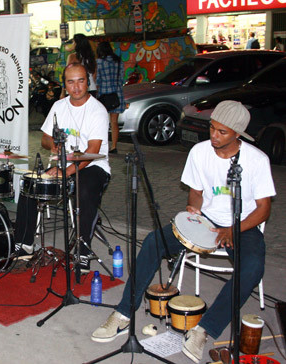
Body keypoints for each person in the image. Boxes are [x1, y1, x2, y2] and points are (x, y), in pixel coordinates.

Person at [91, 100, 275, 363]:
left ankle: (204, 329)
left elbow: (263, 209)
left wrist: (233, 229)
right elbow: (196, 191)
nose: (213, 135)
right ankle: (123, 313)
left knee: (253, 267)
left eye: (222, 132)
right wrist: (193, 208)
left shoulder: (257, 160)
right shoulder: (200, 152)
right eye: (212, 128)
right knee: (154, 241)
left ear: (238, 134)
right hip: (206, 220)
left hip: (242, 225)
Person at [15, 63, 110, 271]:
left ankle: (82, 252)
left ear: (88, 81)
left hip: (93, 165)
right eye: (71, 82)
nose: (76, 87)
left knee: (84, 190)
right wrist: (54, 145)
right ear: (65, 84)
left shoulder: (97, 110)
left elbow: (93, 150)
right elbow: (45, 138)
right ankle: (24, 244)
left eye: (81, 81)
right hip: (62, 165)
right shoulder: (59, 107)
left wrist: (66, 173)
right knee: (30, 184)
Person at [95, 42, 125, 154]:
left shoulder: (99, 62)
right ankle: (114, 146)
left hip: (103, 96)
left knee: (102, 122)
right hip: (117, 95)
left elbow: (98, 80)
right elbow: (122, 79)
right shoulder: (118, 61)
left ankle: (103, 146)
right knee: (114, 122)